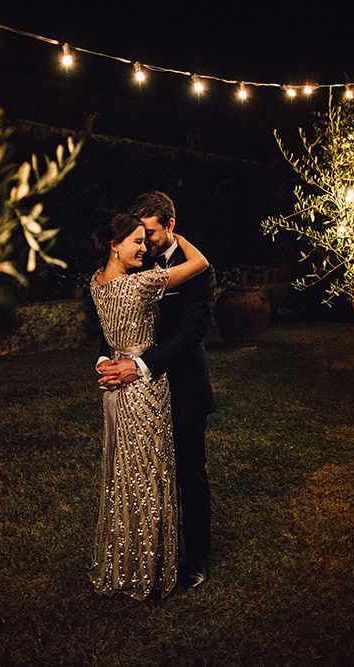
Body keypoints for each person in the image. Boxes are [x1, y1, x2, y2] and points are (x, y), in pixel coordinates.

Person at [97, 191, 216, 590]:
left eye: (150, 233)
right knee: (147, 479)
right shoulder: (135, 267)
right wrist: (106, 361)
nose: (144, 243)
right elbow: (115, 322)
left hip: (183, 386)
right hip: (140, 394)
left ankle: (196, 557)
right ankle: (150, 558)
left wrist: (140, 366)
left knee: (188, 473)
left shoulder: (196, 271)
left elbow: (192, 332)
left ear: (170, 226)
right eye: (139, 235)